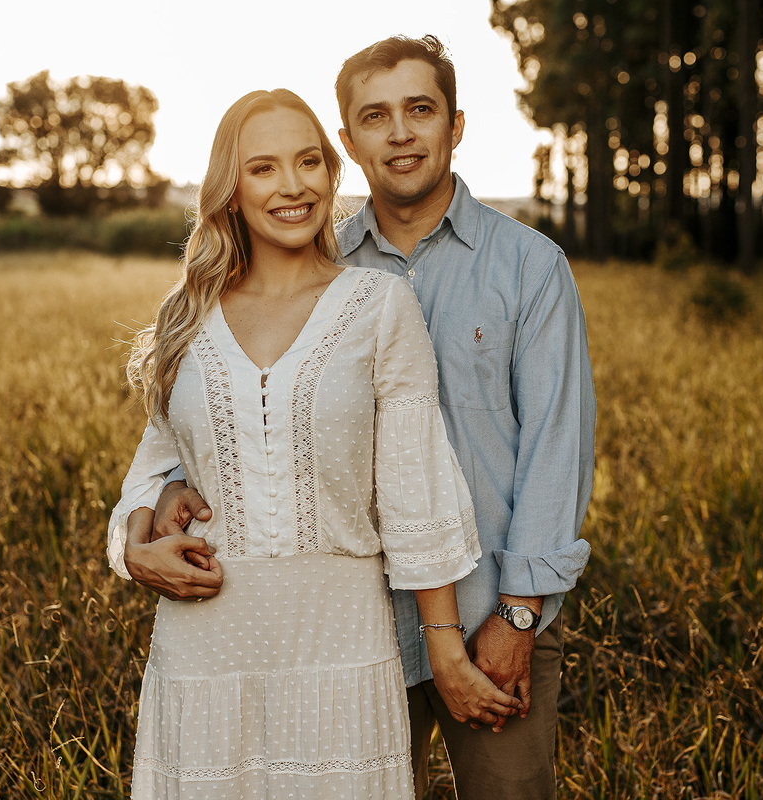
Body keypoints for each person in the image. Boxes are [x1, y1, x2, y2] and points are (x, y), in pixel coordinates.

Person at [139, 36, 596, 800]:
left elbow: (557, 448)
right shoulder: (317, 270)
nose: (402, 133)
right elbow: (231, 427)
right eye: (375, 117)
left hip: (488, 617)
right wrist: (151, 512)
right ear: (349, 143)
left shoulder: (529, 267)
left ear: (456, 125)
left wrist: (518, 616)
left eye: (421, 110)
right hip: (354, 624)